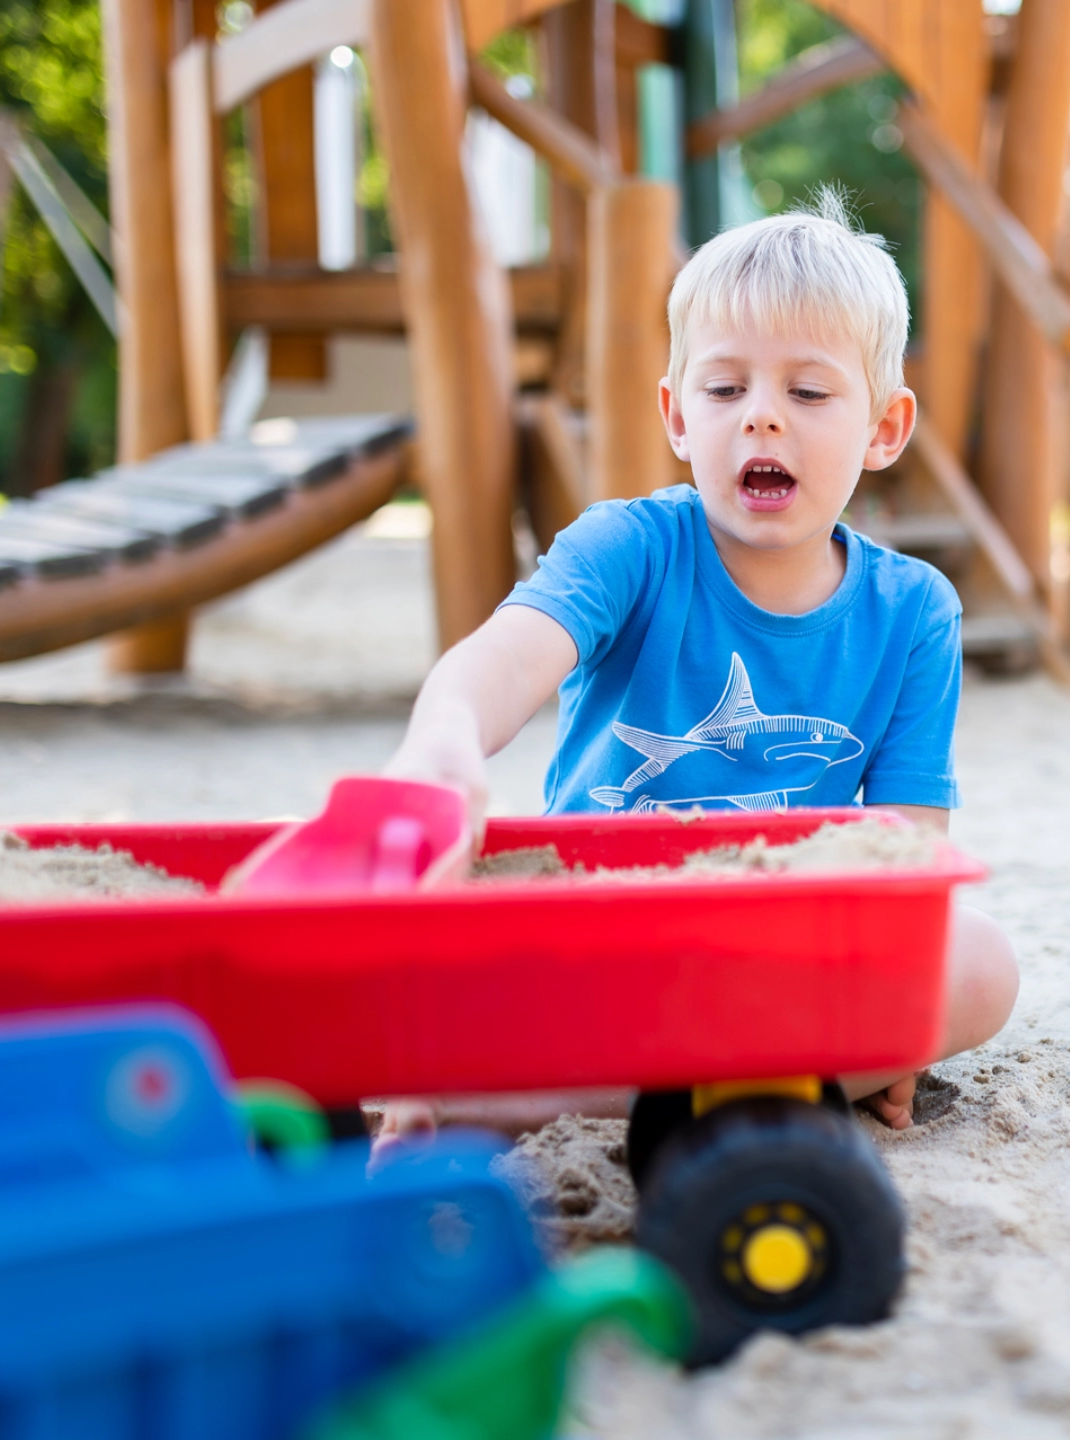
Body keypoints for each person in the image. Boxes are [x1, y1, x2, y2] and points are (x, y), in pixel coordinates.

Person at [378, 195, 1018, 1140]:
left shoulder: (915, 609)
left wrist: (899, 1011)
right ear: (677, 415)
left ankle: (551, 1091)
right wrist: (445, 739)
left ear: (885, 427)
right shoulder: (628, 546)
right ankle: (767, 1083)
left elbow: (910, 840)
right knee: (424, 916)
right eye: (725, 392)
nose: (761, 419)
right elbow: (499, 662)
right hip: (600, 934)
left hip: (790, 952)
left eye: (807, 393)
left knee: (980, 962)